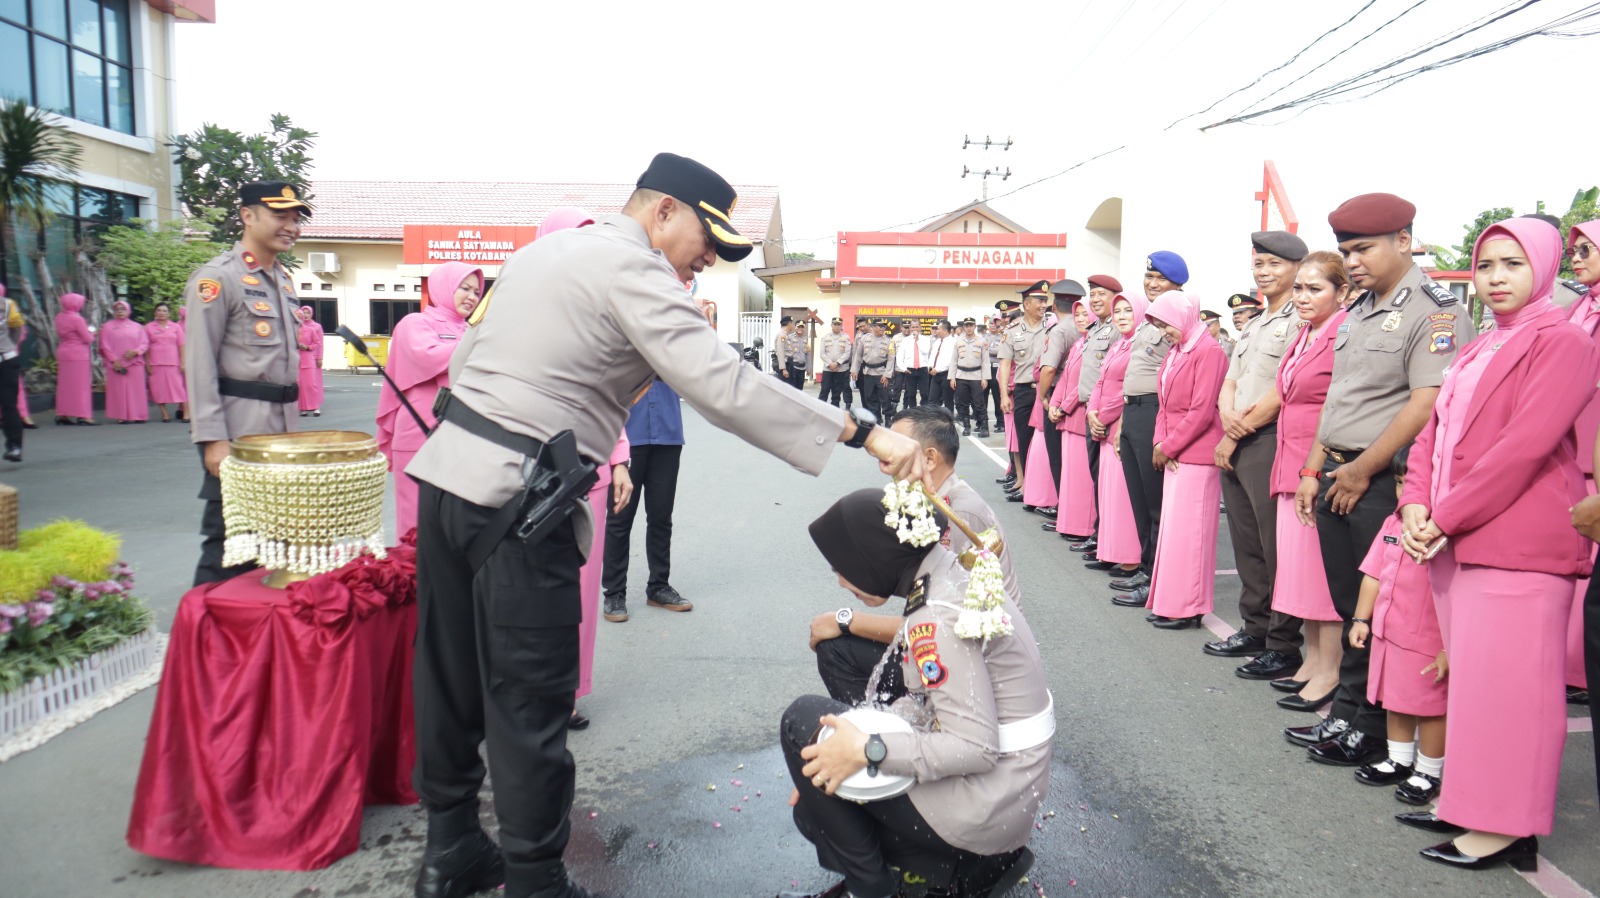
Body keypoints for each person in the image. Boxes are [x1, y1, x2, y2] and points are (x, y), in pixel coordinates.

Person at [401, 153, 925, 898]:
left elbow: (472, 369)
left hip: (450, 481)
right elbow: (721, 381)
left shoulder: (544, 252)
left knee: (448, 675)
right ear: (663, 211)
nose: (708, 259)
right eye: (706, 240)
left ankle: (450, 847)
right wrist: (861, 432)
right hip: (521, 503)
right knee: (529, 701)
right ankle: (535, 880)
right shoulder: (632, 266)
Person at [1396, 218, 1597, 870]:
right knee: (1479, 689)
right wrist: (1417, 503)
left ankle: (1509, 828)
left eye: (1512, 264)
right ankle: (1476, 810)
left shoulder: (1563, 342)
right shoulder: (1478, 344)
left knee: (1514, 694)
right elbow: (1434, 434)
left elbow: (1523, 448)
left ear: (1540, 269)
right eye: (1486, 266)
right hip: (1460, 537)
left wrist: (1443, 516)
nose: (1496, 278)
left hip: (1515, 544)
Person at [1286, 192, 1475, 768]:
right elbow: (1338, 398)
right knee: (1350, 606)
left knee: (1381, 612)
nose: (1354, 262)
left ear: (1403, 240)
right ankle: (1350, 712)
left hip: (1382, 482)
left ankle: (1368, 727)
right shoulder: (1359, 310)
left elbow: (1428, 403)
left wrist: (1360, 470)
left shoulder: (1438, 311)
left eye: (1363, 248)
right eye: (1346, 251)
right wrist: (1314, 469)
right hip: (1338, 471)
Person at [782, 488, 1047, 898]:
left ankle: (873, 889)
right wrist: (835, 753)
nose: (839, 579)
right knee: (820, 774)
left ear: (873, 556)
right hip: (1010, 793)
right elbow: (924, 696)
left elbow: (975, 748)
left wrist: (868, 750)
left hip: (990, 805)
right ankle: (945, 870)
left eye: (842, 565)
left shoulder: (936, 620)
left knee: (801, 724)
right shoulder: (947, 572)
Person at [808, 405, 1022, 706]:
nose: (884, 460)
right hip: (956, 640)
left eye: (896, 447)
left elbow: (944, 620)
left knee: (837, 648)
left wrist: (846, 620)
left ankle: (877, 743)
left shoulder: (957, 514)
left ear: (930, 457)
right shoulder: (930, 500)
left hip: (979, 664)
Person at [184, 180, 311, 586]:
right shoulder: (218, 279)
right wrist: (212, 439)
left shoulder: (283, 281)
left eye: (296, 218)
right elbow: (199, 363)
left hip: (282, 436)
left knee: (271, 547)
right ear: (247, 216)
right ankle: (198, 640)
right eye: (280, 215)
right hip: (239, 435)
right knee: (227, 549)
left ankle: (250, 642)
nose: (291, 225)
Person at [1208, 231, 1309, 679]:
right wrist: (1226, 415)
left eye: (1274, 265)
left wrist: (1235, 430)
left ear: (1296, 268)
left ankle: (1284, 644)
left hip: (1268, 440)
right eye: (1259, 265)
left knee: (1275, 547)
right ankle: (1256, 627)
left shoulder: (1302, 318)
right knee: (1247, 545)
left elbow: (1284, 389)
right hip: (1239, 436)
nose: (1264, 273)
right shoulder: (1255, 322)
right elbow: (1231, 379)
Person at [1348, 447, 1448, 805]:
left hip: (1426, 638)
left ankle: (1428, 771)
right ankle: (1399, 758)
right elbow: (1373, 573)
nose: (1405, 492)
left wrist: (1448, 647)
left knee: (1430, 706)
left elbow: (1454, 593)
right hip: (1390, 632)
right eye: (1400, 483)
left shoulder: (1446, 534)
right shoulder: (1393, 524)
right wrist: (1361, 618)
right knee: (1396, 698)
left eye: (1413, 483)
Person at [1273, 251, 1349, 709]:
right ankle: (1312, 661)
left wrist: (1314, 470)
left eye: (1314, 288)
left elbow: (1334, 405)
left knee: (1322, 576)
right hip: (1291, 459)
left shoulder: (1341, 332)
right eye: (1298, 288)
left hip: (1315, 463)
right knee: (1301, 573)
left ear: (1342, 293)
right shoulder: (1306, 332)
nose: (1302, 296)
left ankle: (1330, 670)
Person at [376, 261, 487, 538]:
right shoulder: (415, 323)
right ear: (444, 287)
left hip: (460, 437)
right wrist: (483, 342)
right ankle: (413, 583)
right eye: (465, 288)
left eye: (477, 291)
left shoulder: (469, 330)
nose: (472, 297)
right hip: (418, 436)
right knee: (414, 528)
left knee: (450, 529)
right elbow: (427, 356)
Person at [1140, 291, 1227, 629]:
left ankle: (1189, 607)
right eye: (1160, 326)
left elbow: (1202, 411)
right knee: (1175, 534)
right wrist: (1161, 441)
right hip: (1176, 452)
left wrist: (1168, 446)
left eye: (1166, 324)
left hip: (1197, 454)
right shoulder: (1177, 352)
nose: (1164, 331)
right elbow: (1163, 404)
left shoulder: (1209, 352)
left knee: (1192, 536)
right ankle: (1173, 601)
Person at [602, 379, 691, 621]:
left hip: (668, 434)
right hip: (628, 438)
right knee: (620, 518)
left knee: (661, 517)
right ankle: (614, 592)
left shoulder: (673, 344)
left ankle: (658, 587)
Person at [1118, 254, 1181, 578]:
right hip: (1132, 410)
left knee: (1154, 500)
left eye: (1160, 279)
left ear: (1177, 285)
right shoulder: (1149, 319)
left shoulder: (1176, 318)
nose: (1152, 284)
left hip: (1153, 410)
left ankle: (1155, 574)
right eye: (1149, 277)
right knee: (1139, 498)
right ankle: (1145, 568)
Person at [1563, 219, 1600, 709]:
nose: (1578, 255)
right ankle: (1573, 665)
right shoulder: (1577, 306)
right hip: (1571, 444)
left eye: (1589, 248)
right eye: (1575, 249)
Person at [1095, 294, 1149, 588]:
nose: (1122, 315)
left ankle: (1131, 556)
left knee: (1125, 494)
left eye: (1129, 310)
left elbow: (1128, 388)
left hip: (1121, 420)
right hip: (1104, 420)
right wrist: (1093, 411)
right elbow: (1101, 382)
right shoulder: (1118, 344)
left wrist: (1103, 414)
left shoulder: (1140, 346)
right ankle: (1113, 550)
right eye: (1118, 311)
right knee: (1110, 492)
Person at [1071, 275, 1122, 555]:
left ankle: (1103, 535)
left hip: (1106, 415)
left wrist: (1100, 413)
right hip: (1091, 411)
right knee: (1096, 476)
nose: (1096, 300)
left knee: (1104, 477)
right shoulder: (1095, 330)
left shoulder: (1116, 329)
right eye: (1093, 295)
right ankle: (1099, 532)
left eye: (1102, 294)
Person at [1032, 279, 1084, 518]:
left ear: (1054, 305)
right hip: (1079, 394)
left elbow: (1049, 368)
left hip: (1058, 394)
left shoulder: (1060, 329)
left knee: (1057, 454)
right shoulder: (1086, 326)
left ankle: (1063, 507)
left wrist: (1043, 396)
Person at [1048, 299, 1096, 539]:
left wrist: (1063, 407)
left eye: (1085, 314)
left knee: (1081, 479)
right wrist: (1055, 404)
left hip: (1078, 416)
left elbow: (1084, 384)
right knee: (1070, 476)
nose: (1080, 319)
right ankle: (1069, 523)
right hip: (1067, 417)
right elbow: (1065, 379)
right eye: (1077, 315)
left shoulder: (1095, 345)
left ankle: (1082, 527)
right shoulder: (1078, 344)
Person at [998, 281, 1051, 500]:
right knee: (1023, 438)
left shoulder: (1052, 328)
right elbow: (1005, 365)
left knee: (1044, 441)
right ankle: (1025, 482)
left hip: (1046, 392)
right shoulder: (1012, 332)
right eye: (1039, 301)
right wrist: (1003, 395)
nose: (1043, 305)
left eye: (1045, 301)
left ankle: (1037, 486)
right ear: (1026, 304)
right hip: (1022, 391)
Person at [100, 301, 149, 424]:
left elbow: (145, 343)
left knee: (136, 390)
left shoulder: (137, 326)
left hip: (135, 362)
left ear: (129, 311)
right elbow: (104, 345)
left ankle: (138, 415)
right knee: (118, 390)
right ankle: (121, 415)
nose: (120, 311)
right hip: (116, 365)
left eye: (123, 309)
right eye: (117, 309)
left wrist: (136, 351)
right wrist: (114, 360)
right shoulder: (107, 326)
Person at [52, 292, 97, 426]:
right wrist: (93, 333)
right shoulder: (77, 319)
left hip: (63, 352)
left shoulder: (59, 317)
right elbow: (87, 339)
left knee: (65, 385)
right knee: (81, 385)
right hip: (78, 354)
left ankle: (62, 414)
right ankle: (83, 415)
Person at [144, 303, 186, 424]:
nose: (161, 313)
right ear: (155, 312)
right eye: (159, 310)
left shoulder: (175, 327)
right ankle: (164, 413)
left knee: (178, 388)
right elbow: (146, 347)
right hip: (155, 362)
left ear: (169, 313)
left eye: (164, 311)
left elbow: (182, 345)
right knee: (158, 389)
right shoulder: (148, 327)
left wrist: (183, 362)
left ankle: (184, 412)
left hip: (173, 362)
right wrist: (147, 363)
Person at [950, 317, 990, 437]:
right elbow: (953, 361)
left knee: (979, 403)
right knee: (963, 403)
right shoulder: (958, 341)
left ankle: (984, 426)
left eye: (971, 325)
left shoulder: (981, 341)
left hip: (976, 376)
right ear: (964, 327)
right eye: (966, 325)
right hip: (961, 376)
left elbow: (985, 361)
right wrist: (952, 377)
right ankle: (967, 426)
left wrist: (985, 378)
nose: (968, 328)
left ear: (974, 326)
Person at [853, 319, 893, 422]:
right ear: (873, 327)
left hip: (881, 374)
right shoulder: (865, 339)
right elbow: (858, 355)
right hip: (868, 373)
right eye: (880, 326)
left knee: (885, 398)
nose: (882, 328)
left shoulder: (889, 341)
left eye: (884, 326)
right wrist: (855, 370)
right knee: (870, 398)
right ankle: (876, 420)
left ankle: (888, 419)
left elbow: (891, 359)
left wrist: (887, 375)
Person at [891, 317, 931, 418]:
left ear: (920, 327)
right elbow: (899, 356)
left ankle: (924, 414)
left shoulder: (926, 339)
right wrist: (903, 368)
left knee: (925, 394)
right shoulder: (905, 341)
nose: (915, 329)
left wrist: (917, 340)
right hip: (910, 370)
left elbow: (925, 351)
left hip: (923, 370)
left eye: (917, 327)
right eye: (913, 327)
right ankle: (913, 414)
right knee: (911, 394)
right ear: (910, 328)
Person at [0, 284, 23, 460]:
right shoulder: (9, 305)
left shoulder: (7, 305)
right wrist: (9, 346)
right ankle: (14, 447)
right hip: (8, 358)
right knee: (9, 406)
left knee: (9, 406)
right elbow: (16, 330)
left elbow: (17, 328)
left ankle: (15, 446)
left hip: (6, 360)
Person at [818, 317, 854, 409]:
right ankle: (820, 410)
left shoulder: (846, 338)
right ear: (831, 325)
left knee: (836, 393)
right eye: (835, 324)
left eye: (839, 324)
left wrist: (837, 363)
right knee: (824, 391)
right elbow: (822, 353)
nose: (837, 326)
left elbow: (847, 353)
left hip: (840, 370)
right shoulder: (825, 337)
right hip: (828, 369)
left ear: (842, 326)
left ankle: (834, 412)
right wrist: (830, 364)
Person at [296, 306, 325, 417]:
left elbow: (319, 343)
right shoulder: (293, 331)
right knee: (301, 385)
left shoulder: (314, 328)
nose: (305, 315)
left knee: (312, 384)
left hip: (310, 358)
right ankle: (303, 408)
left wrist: (309, 348)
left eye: (307, 313)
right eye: (303, 314)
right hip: (298, 360)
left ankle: (315, 406)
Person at [984, 314, 1007, 432]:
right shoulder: (984, 337)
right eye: (991, 324)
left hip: (996, 369)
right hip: (985, 370)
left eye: (994, 324)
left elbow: (1000, 351)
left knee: (998, 398)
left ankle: (1000, 422)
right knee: (983, 398)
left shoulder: (1002, 336)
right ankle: (983, 423)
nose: (993, 326)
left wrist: (988, 350)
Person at [926, 319, 955, 410]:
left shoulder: (953, 342)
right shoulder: (937, 342)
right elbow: (932, 356)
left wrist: (937, 369)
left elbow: (951, 360)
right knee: (932, 400)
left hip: (946, 375)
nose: (936, 331)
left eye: (938, 329)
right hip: (935, 374)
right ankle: (932, 421)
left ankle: (949, 422)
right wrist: (930, 367)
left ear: (945, 330)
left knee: (948, 401)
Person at [789, 322, 812, 391]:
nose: (800, 329)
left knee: (800, 389)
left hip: (802, 368)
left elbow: (808, 353)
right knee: (792, 388)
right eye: (798, 327)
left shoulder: (805, 339)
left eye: (802, 327)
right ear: (795, 327)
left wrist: (809, 368)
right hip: (793, 367)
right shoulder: (790, 337)